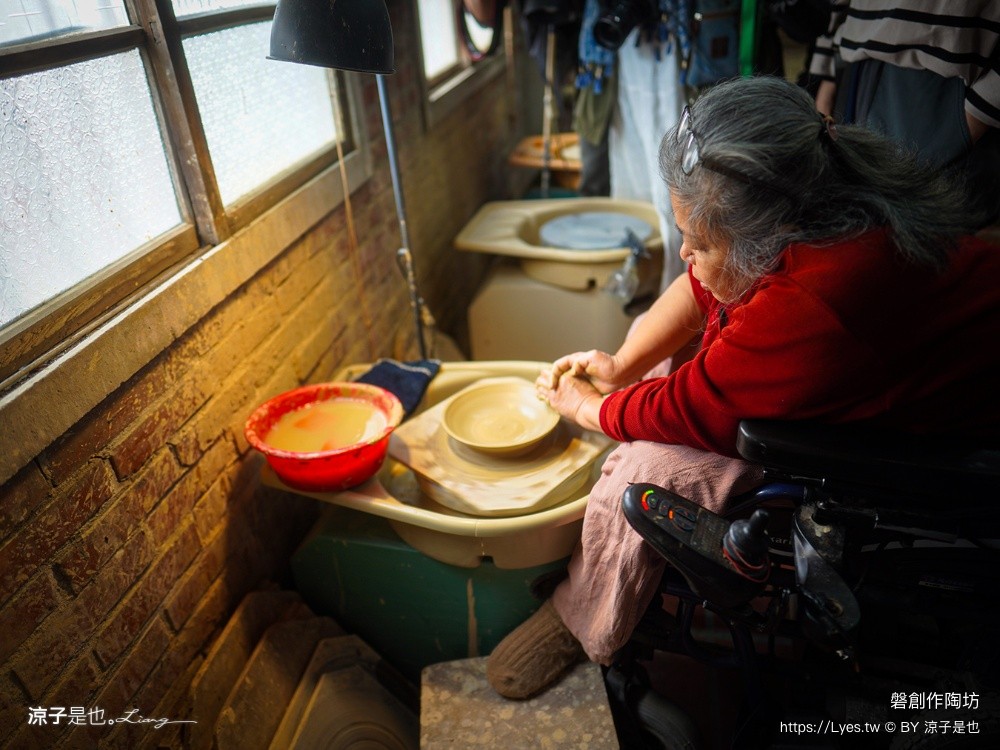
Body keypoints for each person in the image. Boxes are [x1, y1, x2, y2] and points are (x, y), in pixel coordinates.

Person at [485, 74, 1000, 700]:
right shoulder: (814, 196)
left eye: (696, 242)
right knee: (649, 370)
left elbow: (691, 406)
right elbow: (699, 287)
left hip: (960, 438)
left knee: (651, 465)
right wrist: (621, 364)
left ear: (758, 239)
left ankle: (582, 617)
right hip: (891, 356)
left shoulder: (819, 300)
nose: (683, 254)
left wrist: (588, 408)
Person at [809, 0, 1000, 226]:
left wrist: (973, 116)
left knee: (925, 249)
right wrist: (828, 84)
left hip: (941, 90)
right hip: (852, 73)